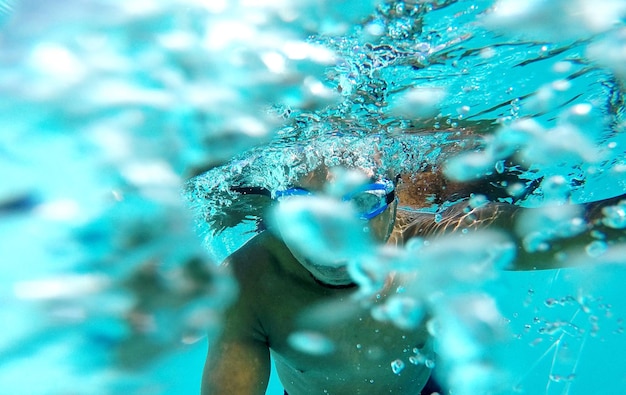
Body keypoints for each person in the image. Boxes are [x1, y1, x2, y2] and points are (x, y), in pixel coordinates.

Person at [200, 162, 626, 395]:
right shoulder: (247, 281)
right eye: (304, 209)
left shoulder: (440, 240)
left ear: (393, 199)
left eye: (362, 202)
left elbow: (602, 227)